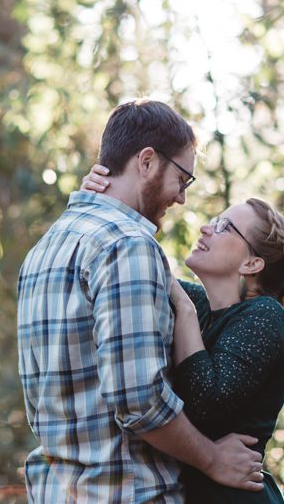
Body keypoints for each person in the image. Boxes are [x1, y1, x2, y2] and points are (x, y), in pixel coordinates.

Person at [17, 99, 264, 503]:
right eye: (182, 179)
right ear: (147, 161)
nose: (181, 198)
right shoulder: (127, 245)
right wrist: (213, 459)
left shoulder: (47, 247)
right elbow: (139, 401)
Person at [82, 166, 284, 503]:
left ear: (251, 264)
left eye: (224, 227)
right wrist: (102, 199)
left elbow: (203, 404)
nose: (206, 228)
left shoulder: (266, 315)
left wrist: (185, 313)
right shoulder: (201, 304)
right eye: (214, 221)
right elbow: (137, 270)